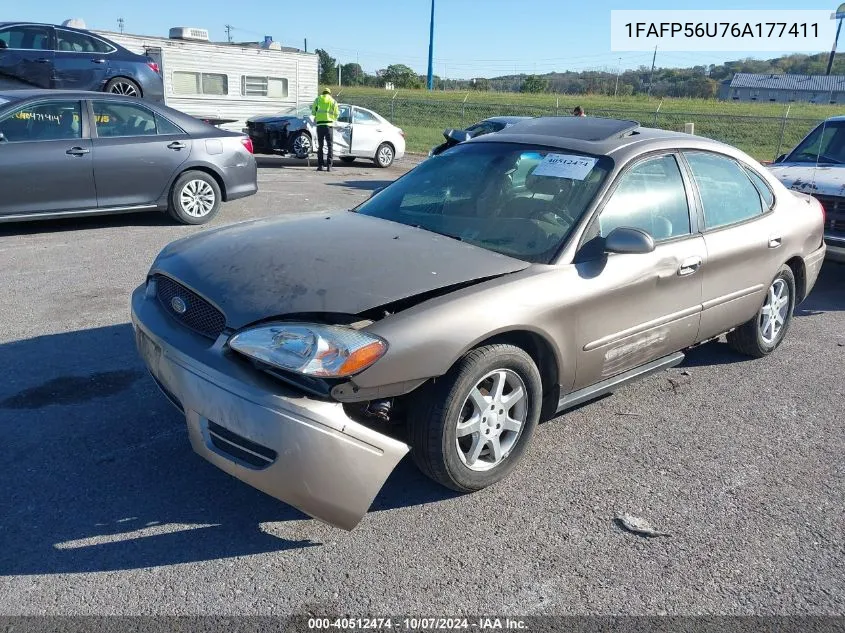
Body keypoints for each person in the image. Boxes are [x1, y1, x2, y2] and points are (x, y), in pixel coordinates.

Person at [311, 87, 340, 171]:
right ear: (329, 93)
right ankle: (329, 166)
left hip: (320, 125)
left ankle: (320, 165)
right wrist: (332, 119)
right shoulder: (333, 101)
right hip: (329, 125)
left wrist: (317, 117)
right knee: (330, 145)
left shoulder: (317, 99)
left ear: (323, 93)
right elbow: (337, 114)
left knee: (320, 146)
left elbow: (313, 112)